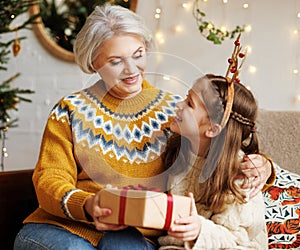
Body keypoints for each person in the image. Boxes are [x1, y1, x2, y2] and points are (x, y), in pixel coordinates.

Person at [14, 4, 273, 250]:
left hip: (135, 234)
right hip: (65, 226)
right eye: (116, 61)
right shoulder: (69, 110)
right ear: (94, 63)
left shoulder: (176, 112)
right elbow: (50, 179)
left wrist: (265, 166)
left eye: (138, 55)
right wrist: (88, 205)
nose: (132, 69)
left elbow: (220, 144)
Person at [158, 74, 268, 249]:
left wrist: (200, 230)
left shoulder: (240, 174)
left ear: (211, 129)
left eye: (189, 104)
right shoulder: (178, 151)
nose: (178, 104)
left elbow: (239, 241)